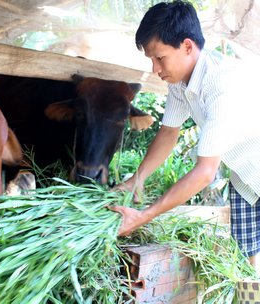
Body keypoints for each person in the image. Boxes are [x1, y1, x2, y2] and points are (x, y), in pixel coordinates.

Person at [110, 0, 260, 275]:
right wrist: (137, 179)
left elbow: (205, 172)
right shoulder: (181, 83)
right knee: (249, 264)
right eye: (151, 60)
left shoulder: (221, 85)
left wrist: (145, 216)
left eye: (160, 58)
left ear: (187, 46)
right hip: (244, 175)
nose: (155, 69)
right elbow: (169, 132)